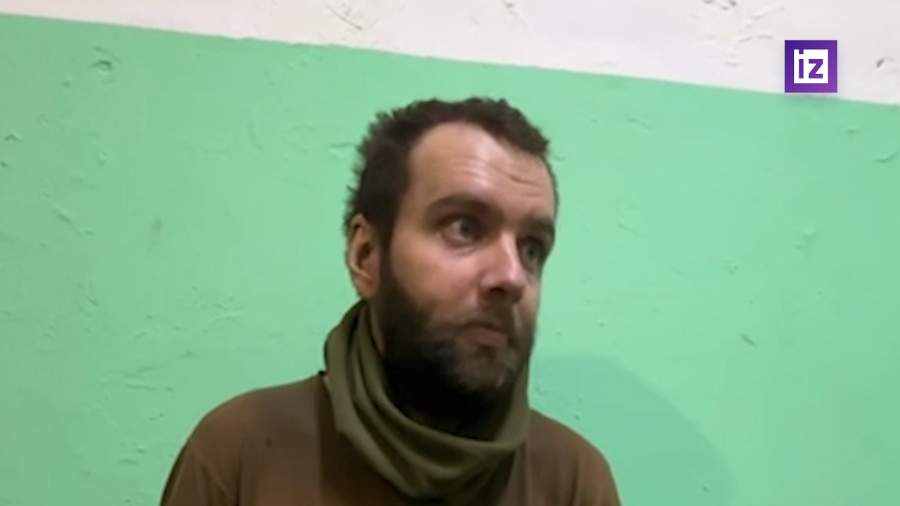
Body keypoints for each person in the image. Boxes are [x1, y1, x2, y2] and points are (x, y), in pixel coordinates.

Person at [160, 97, 620, 505]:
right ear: (366, 256)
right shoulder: (240, 454)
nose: (511, 276)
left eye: (532, 248)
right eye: (464, 228)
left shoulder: (573, 482)